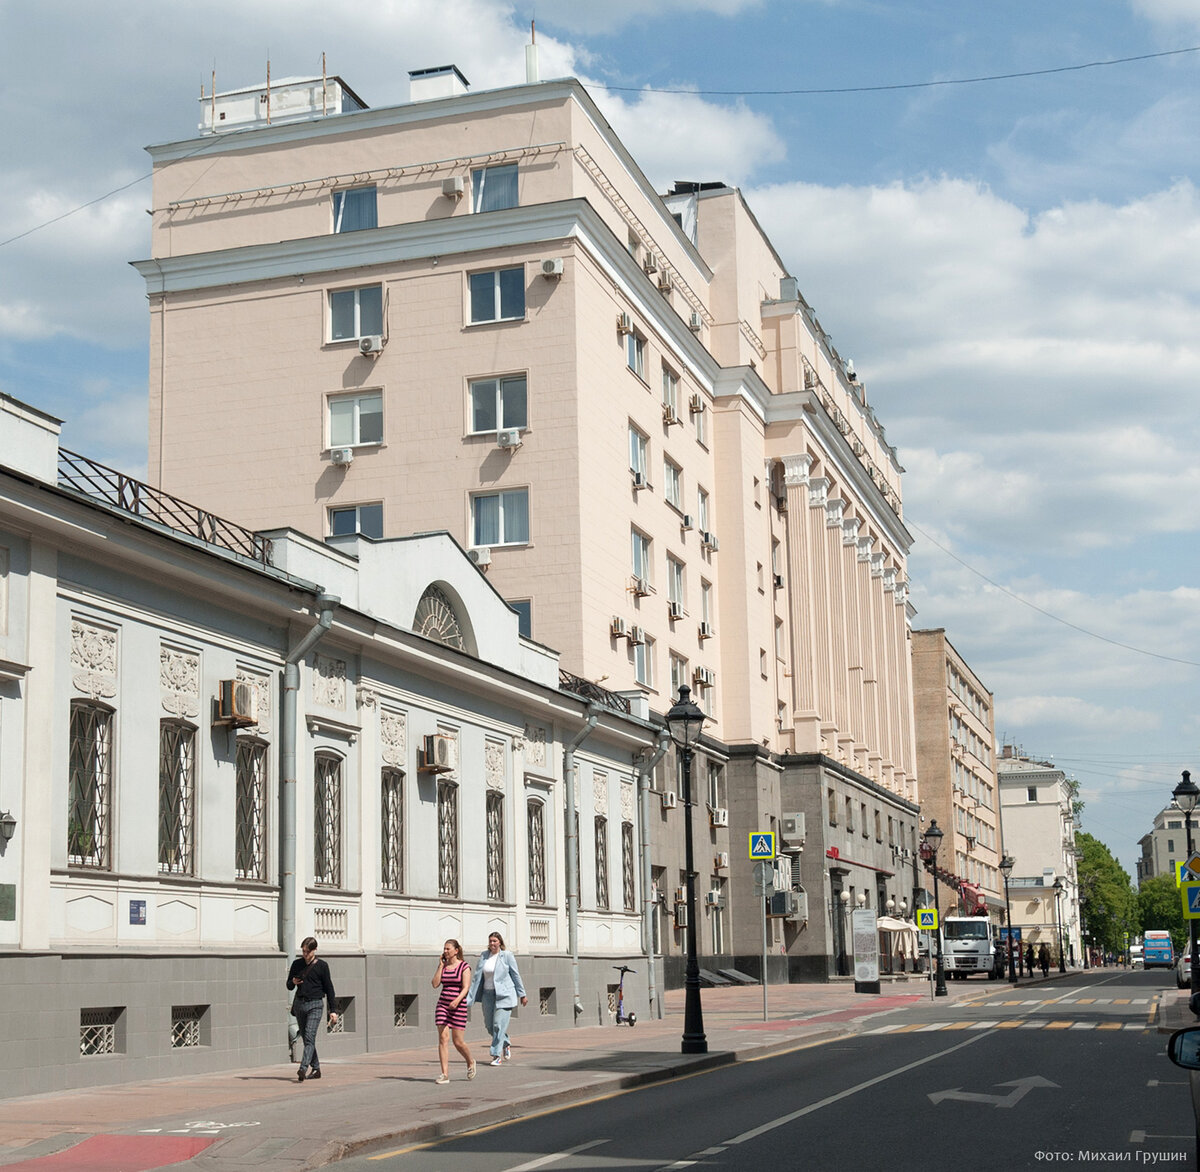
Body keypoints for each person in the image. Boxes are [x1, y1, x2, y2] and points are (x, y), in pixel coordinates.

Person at [466, 931, 528, 1066]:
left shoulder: (507, 956)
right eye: (490, 941)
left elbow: (515, 975)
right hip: (487, 994)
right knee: (489, 1026)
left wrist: (522, 994)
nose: (492, 943)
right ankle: (505, 1043)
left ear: (500, 942)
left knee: (498, 1025)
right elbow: (477, 978)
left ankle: (496, 1055)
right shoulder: (484, 956)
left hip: (504, 995)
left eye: (495, 941)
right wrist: (469, 997)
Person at [287, 936, 338, 1083]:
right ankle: (316, 1068)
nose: (305, 954)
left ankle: (303, 1068)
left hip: (315, 1005)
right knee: (307, 1038)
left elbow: (329, 988)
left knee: (309, 1036)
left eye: (308, 952)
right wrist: (293, 981)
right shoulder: (297, 964)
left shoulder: (322, 966)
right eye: (303, 951)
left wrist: (333, 1010)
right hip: (299, 1005)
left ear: (314, 950)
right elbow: (289, 985)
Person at [433, 939, 475, 1084]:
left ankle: (470, 1061)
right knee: (443, 1039)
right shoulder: (443, 967)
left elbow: (466, 987)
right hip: (443, 1005)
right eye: (444, 949)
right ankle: (444, 1074)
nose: (445, 951)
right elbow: (435, 984)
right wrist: (440, 966)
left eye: (448, 949)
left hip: (458, 1006)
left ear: (456, 951)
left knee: (458, 1042)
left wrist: (457, 1000)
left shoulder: (464, 967)